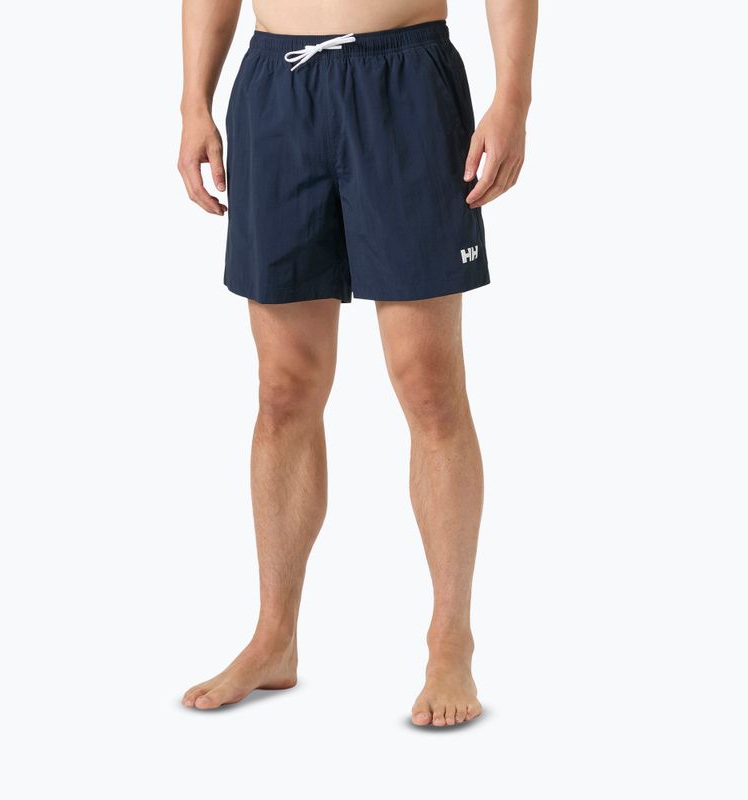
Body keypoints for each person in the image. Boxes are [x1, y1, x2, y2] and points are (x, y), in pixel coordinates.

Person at [178, 0, 537, 727]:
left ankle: (450, 641)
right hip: (277, 87)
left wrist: (514, 97)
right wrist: (193, 101)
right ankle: (274, 638)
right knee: (283, 389)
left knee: (429, 385)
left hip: (406, 81)